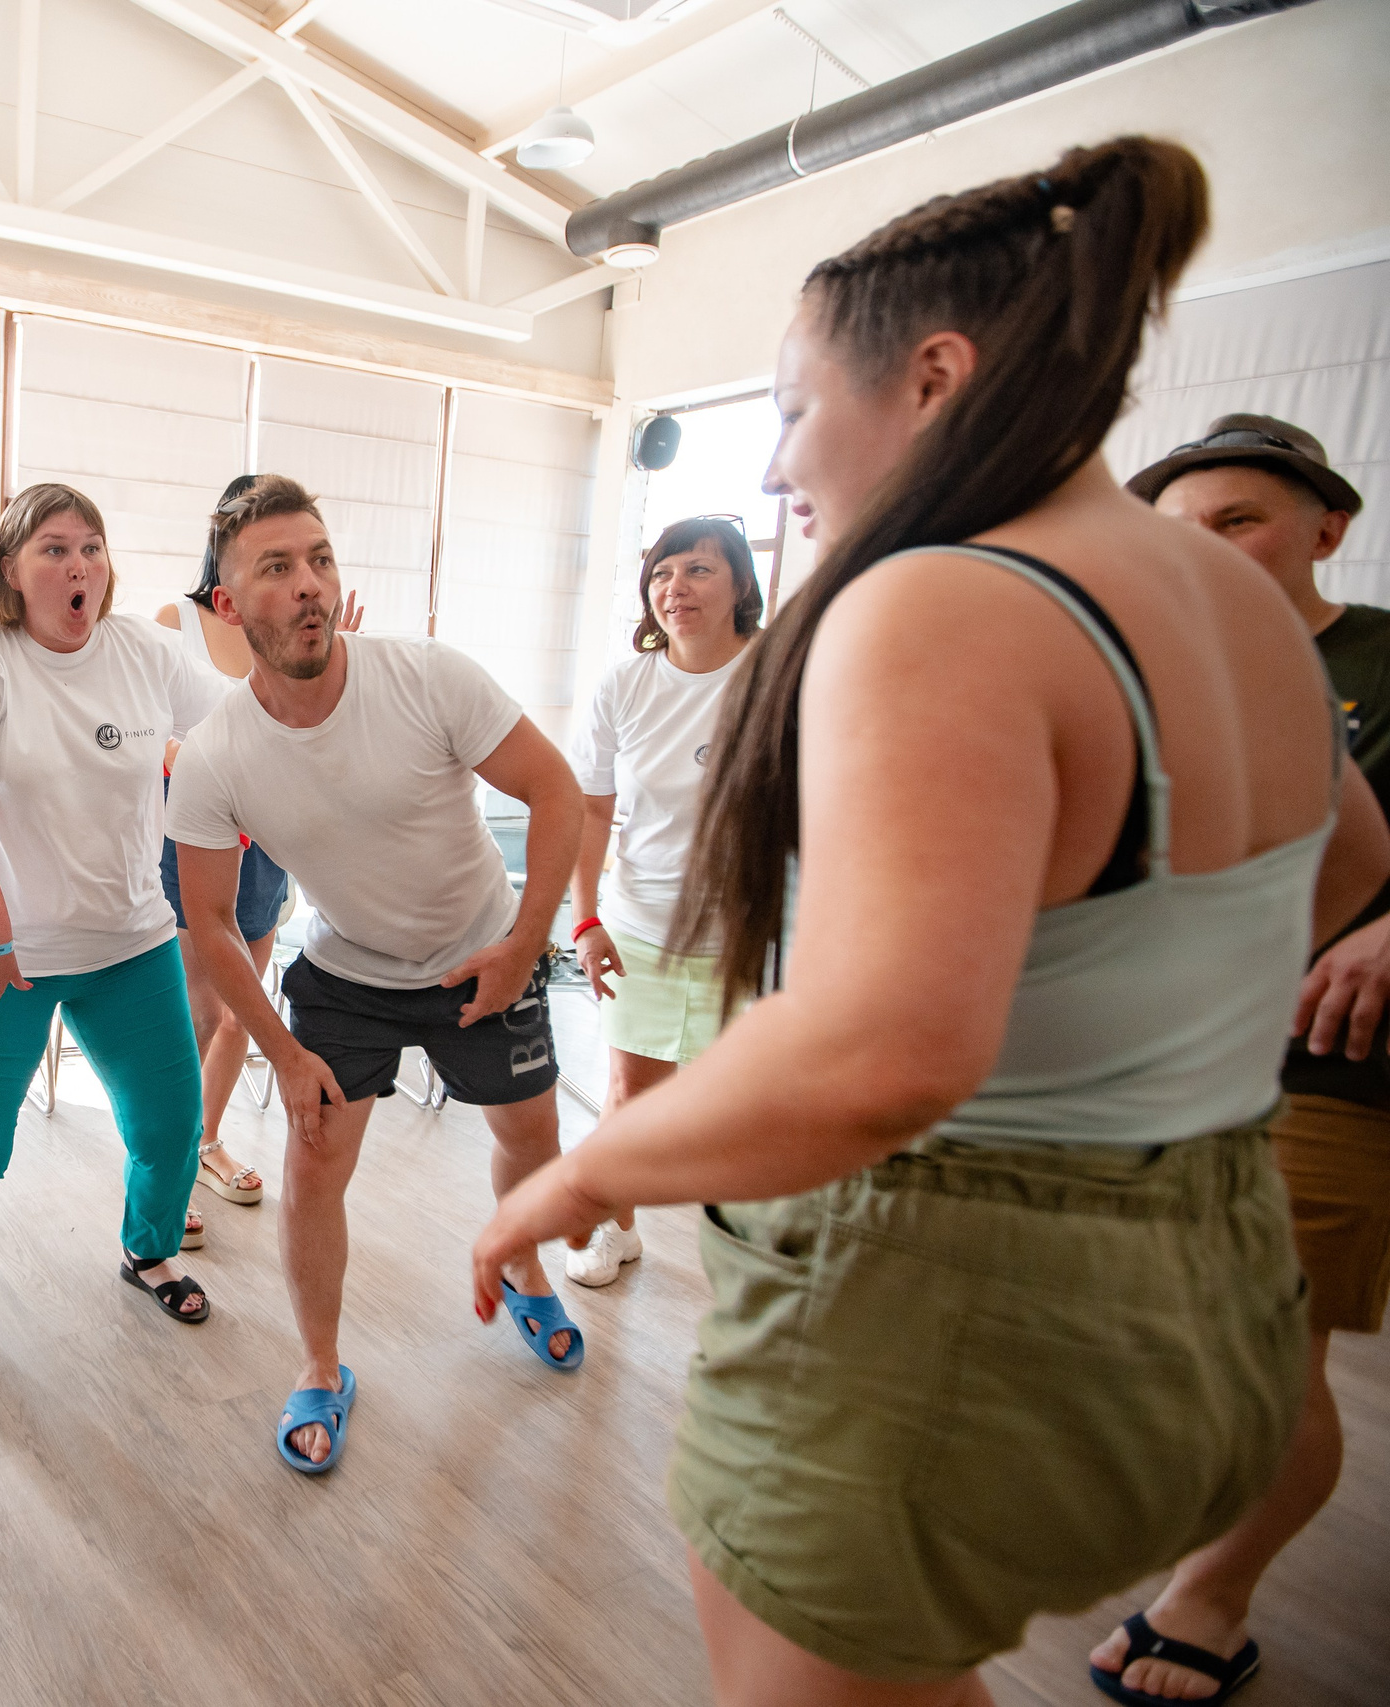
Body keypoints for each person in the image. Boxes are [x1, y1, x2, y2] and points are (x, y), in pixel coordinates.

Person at [470, 138, 1390, 1706]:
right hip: (1213, 1291)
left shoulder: (940, 599)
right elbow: (1341, 866)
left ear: (936, 376)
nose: (774, 469)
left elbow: (887, 1051)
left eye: (792, 409)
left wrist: (580, 1172)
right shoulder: (1227, 594)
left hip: (954, 1314)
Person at [166, 473, 587, 1474]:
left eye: (319, 559)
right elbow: (211, 925)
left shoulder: (428, 677)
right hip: (347, 969)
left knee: (531, 1140)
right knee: (313, 1161)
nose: (309, 584)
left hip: (482, 951)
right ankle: (319, 1366)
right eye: (276, 567)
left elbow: (556, 791)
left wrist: (526, 945)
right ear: (228, 607)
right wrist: (278, 1052)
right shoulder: (219, 752)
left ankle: (523, 1263)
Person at [1082, 416, 1386, 1703]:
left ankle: (1211, 1595)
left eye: (1237, 522)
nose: (1197, 552)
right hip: (1161, 1051)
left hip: (1324, 1051)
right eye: (1175, 531)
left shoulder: (1381, 655)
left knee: (1271, 1343)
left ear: (1326, 528)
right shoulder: (1145, 676)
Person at [0, 482, 227, 1380]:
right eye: (53, 548)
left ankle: (148, 1249)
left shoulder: (143, 651)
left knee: (169, 1121)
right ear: (12, 568)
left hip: (130, 940)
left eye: (91, 546)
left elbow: (236, 718)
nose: (78, 564)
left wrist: (306, 661)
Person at [154, 481, 365, 1217]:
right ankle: (166, 1167)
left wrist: (346, 660)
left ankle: (203, 1144)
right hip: (197, 839)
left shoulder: (297, 627)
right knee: (199, 1018)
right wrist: (205, 762)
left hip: (268, 840)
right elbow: (154, 735)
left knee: (242, 1015)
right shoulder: (173, 621)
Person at [560, 515, 761, 1286]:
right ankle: (617, 1230)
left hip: (746, 932)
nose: (675, 588)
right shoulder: (626, 684)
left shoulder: (776, 673)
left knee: (736, 1114)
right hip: (640, 922)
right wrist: (584, 919)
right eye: (661, 573)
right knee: (630, 1096)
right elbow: (590, 810)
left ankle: (745, 1260)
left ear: (741, 583)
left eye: (699, 570)